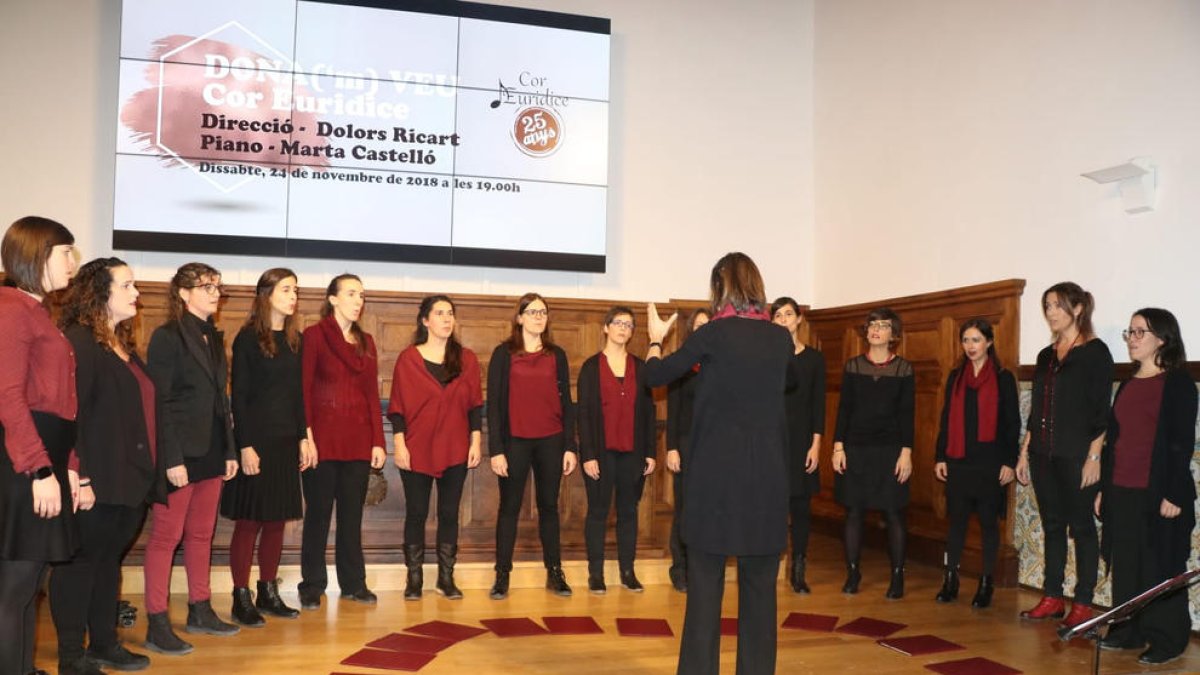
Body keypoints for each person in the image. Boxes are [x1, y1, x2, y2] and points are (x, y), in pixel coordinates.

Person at [645, 252, 793, 675]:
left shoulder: (712, 334)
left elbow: (654, 376)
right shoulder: (780, 339)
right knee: (760, 593)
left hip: (714, 482)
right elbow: (792, 379)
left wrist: (656, 339)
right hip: (766, 481)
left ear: (719, 288)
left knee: (706, 591)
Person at [49, 258, 157, 674]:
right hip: (96, 479)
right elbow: (67, 414)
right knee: (79, 566)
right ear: (100, 292)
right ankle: (71, 655)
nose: (136, 293)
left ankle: (105, 643)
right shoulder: (78, 341)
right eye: (127, 285)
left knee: (107, 564)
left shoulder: (121, 345)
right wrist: (83, 475)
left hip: (127, 479)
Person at [143, 262, 241, 654]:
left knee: (202, 534)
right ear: (183, 293)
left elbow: (222, 399)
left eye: (217, 286)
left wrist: (230, 450)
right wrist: (171, 457)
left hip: (213, 449)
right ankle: (157, 620)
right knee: (166, 537)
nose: (215, 292)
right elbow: (159, 402)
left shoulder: (213, 337)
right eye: (206, 286)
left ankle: (200, 609)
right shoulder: (167, 337)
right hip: (179, 453)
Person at [0, 216, 80, 675]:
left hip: (45, 456)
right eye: (65, 252)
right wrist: (40, 469)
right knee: (13, 588)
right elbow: (9, 396)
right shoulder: (11, 308)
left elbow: (61, 404)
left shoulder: (35, 309)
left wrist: (67, 462)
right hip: (25, 465)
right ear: (37, 256)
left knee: (29, 586)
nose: (72, 261)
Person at [1095, 309, 1196, 666]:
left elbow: (1182, 443)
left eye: (1140, 332)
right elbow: (1117, 441)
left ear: (1162, 339)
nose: (1132, 338)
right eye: (1130, 332)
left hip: (1160, 493)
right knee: (1127, 566)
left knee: (1160, 567)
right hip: (1121, 487)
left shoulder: (1178, 384)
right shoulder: (1127, 383)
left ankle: (1167, 639)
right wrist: (1104, 488)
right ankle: (1126, 632)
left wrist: (1174, 494)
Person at [1016, 282, 1114, 629]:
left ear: (1077, 309)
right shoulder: (1046, 356)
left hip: (1077, 456)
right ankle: (1052, 596)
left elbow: (1101, 412)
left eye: (1057, 305)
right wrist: (1025, 452)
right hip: (1044, 454)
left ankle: (1084, 603)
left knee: (1083, 527)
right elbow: (1036, 409)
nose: (1051, 312)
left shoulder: (1096, 352)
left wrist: (1094, 458)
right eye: (1047, 306)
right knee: (1053, 526)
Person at [220, 269, 312, 626]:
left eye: (296, 290)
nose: (293, 296)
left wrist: (304, 436)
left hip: (286, 440)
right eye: (287, 289)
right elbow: (239, 397)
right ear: (267, 294)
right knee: (250, 521)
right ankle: (240, 597)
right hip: (255, 442)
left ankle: (267, 591)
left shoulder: (295, 340)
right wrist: (245, 445)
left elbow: (298, 395)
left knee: (276, 520)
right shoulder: (247, 339)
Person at [298, 274, 386, 609]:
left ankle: (354, 583)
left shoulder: (366, 342)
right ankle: (312, 584)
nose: (358, 300)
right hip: (321, 442)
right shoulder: (314, 336)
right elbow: (303, 390)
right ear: (332, 299)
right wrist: (306, 437)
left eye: (361, 295)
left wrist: (378, 441)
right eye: (351, 294)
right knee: (318, 515)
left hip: (358, 443)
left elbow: (370, 395)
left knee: (352, 517)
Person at [387, 295, 483, 601]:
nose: (446, 318)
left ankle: (446, 578)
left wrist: (476, 442)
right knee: (416, 513)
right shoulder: (408, 359)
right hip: (416, 448)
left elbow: (474, 407)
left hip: (455, 447)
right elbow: (398, 407)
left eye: (450, 314)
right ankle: (414, 579)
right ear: (425, 320)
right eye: (439, 313)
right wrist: (399, 444)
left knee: (449, 514)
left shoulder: (466, 360)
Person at [486, 292, 578, 599]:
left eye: (543, 312)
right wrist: (496, 449)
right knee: (509, 508)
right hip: (514, 442)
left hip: (551, 440)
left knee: (550, 507)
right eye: (533, 312)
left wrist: (569, 446)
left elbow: (567, 404)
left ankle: (555, 571)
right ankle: (502, 575)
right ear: (520, 317)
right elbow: (495, 404)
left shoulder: (557, 355)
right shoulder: (504, 354)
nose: (539, 317)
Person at [932, 318, 1019, 608]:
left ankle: (986, 583)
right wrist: (940, 456)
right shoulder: (956, 377)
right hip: (958, 461)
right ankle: (951, 580)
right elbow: (945, 419)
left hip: (990, 463)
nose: (970, 346)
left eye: (976, 340)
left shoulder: (1003, 378)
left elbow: (1011, 423)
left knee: (988, 525)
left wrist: (1009, 461)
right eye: (966, 340)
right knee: (956, 524)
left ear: (989, 342)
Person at [832, 307, 914, 599]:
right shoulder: (853, 366)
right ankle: (853, 572)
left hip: (890, 449)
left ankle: (897, 576)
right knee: (853, 511)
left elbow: (907, 414)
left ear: (894, 334)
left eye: (883, 325)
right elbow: (844, 410)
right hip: (856, 448)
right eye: (872, 325)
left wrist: (906, 453)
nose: (876, 330)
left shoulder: (904, 369)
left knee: (894, 512)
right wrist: (838, 447)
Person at [578, 306, 658, 594]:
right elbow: (584, 415)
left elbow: (649, 412)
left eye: (629, 325)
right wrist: (587, 455)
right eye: (618, 323)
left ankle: (627, 571)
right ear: (606, 328)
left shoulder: (641, 367)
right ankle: (596, 574)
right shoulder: (590, 368)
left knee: (628, 512)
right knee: (598, 512)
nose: (624, 329)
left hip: (632, 453)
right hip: (600, 454)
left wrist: (650, 452)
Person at [771, 296, 825, 594]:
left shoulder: (814, 359)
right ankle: (774, 564)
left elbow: (819, 406)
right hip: (773, 441)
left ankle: (799, 568)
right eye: (778, 316)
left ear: (799, 319)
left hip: (803, 442)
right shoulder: (767, 357)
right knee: (773, 506)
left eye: (788, 314)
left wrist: (816, 446)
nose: (783, 320)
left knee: (801, 508)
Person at [665, 308, 711, 593]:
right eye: (699, 325)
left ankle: (700, 568)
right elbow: (673, 409)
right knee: (684, 509)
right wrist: (671, 447)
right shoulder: (683, 363)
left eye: (709, 325)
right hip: (685, 444)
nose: (703, 329)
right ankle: (679, 568)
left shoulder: (721, 363)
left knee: (707, 509)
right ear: (690, 330)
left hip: (713, 447)